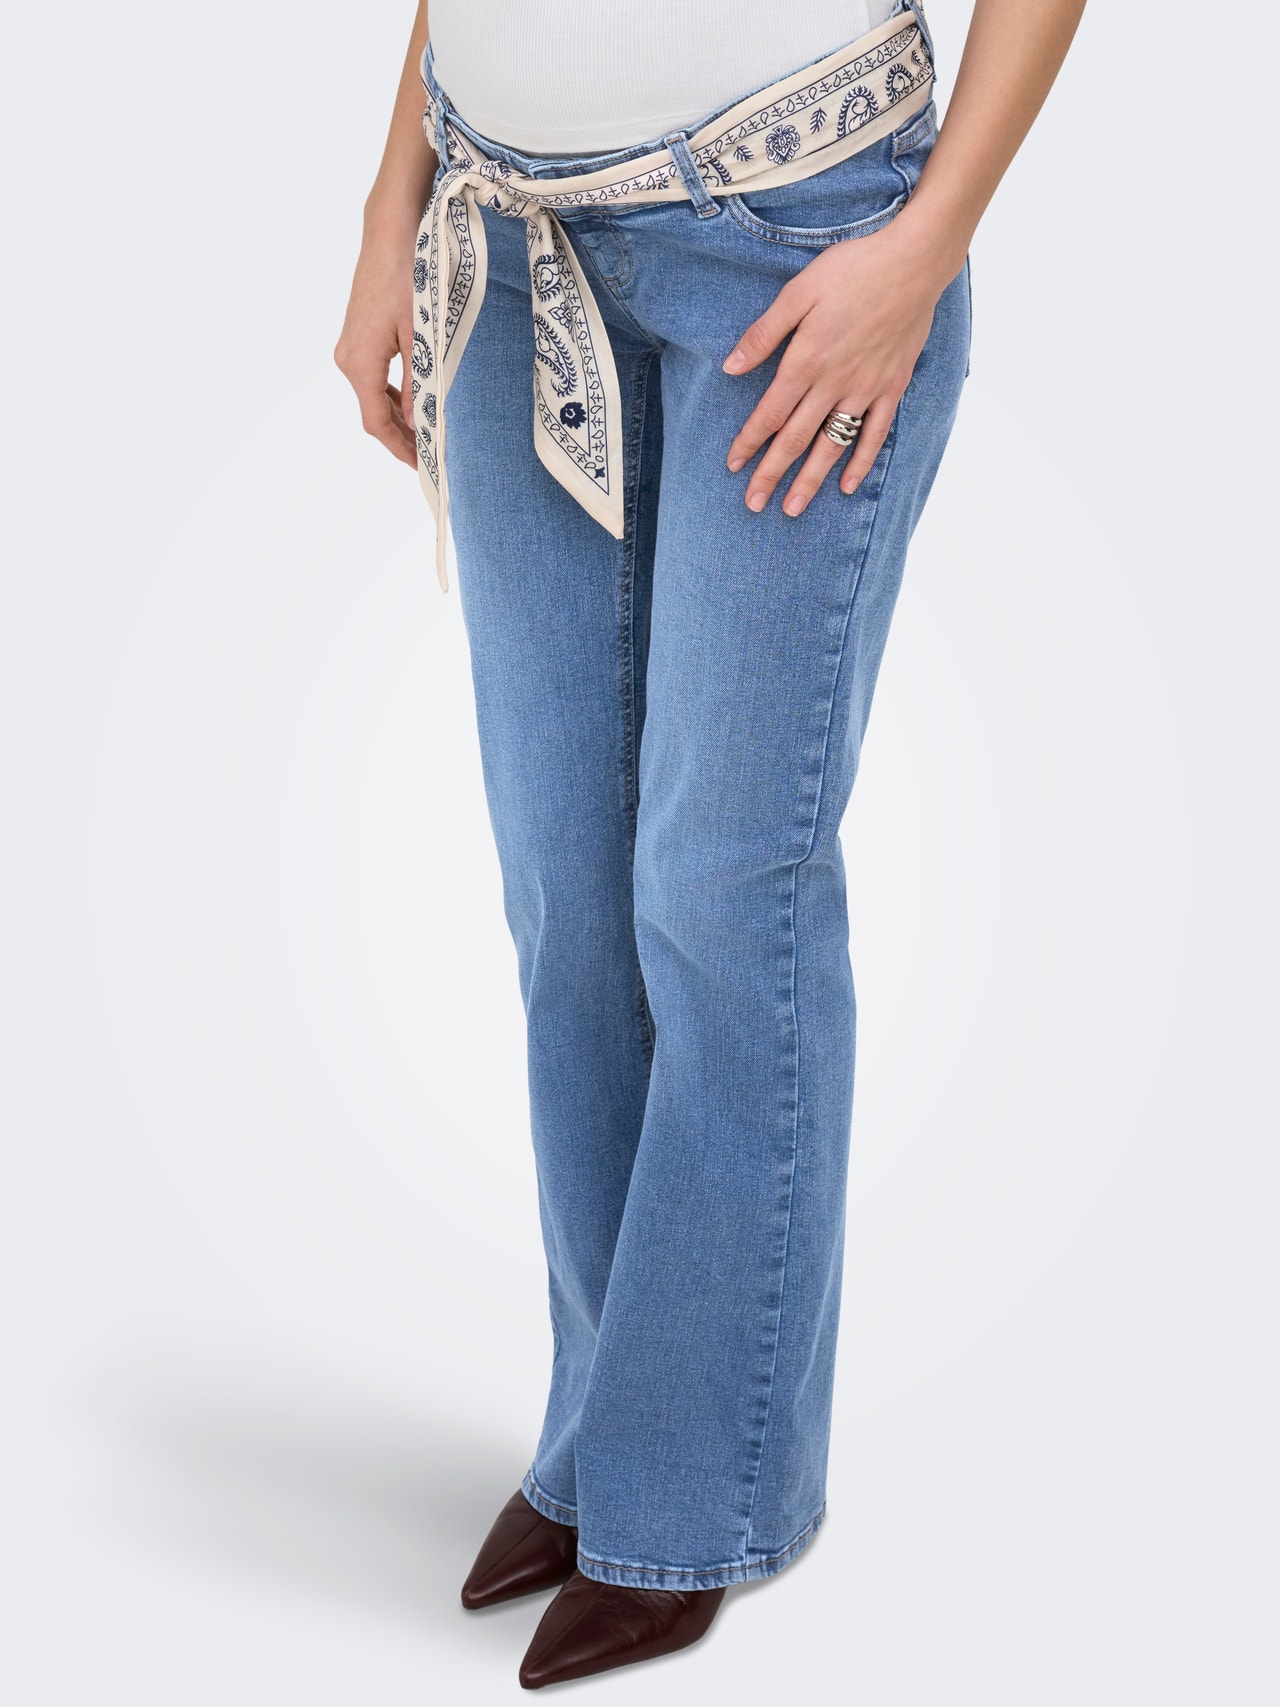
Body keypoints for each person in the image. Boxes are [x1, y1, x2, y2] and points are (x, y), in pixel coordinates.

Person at [336, 0, 1085, 1688]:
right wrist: (391, 210)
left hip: (794, 245)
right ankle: (606, 1436)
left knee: (719, 890)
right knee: (566, 891)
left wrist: (930, 243)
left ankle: (699, 1485)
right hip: (503, 238)